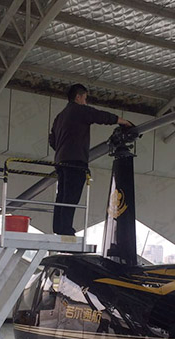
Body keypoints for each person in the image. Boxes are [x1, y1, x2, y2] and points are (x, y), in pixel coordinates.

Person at [49, 84, 132, 235]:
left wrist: (64, 148)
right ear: (78, 97)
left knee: (62, 195)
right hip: (76, 161)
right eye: (85, 98)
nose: (85, 102)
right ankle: (66, 229)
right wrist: (122, 121)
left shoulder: (59, 117)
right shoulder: (79, 110)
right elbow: (99, 116)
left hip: (61, 162)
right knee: (71, 196)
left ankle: (58, 227)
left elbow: (52, 141)